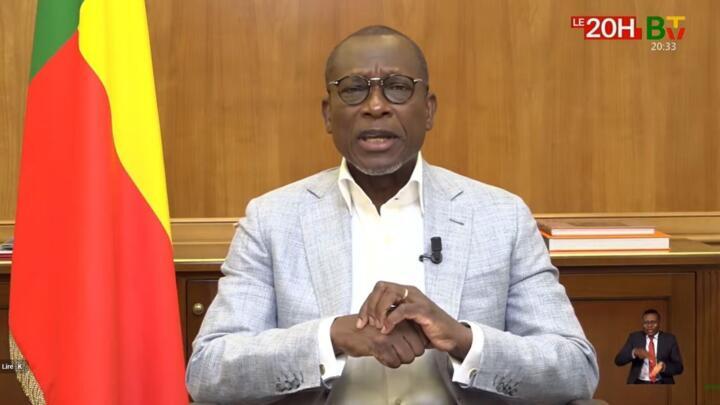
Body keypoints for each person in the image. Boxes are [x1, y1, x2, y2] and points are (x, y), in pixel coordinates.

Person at [186, 25, 598, 404]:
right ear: (328, 114)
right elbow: (208, 371)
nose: (376, 105)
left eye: (398, 88)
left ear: (429, 110)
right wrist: (330, 337)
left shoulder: (501, 217)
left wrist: (462, 340)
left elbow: (575, 368)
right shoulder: (272, 219)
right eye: (354, 89)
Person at [614, 309, 683, 384]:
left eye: (653, 322)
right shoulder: (634, 337)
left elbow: (679, 367)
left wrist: (663, 367)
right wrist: (634, 352)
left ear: (659, 322)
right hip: (638, 383)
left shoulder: (669, 339)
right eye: (646, 322)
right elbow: (618, 361)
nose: (649, 326)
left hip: (662, 383)